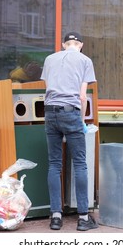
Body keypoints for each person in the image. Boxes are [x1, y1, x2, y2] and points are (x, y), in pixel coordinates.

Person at [40, 31, 98, 231]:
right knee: (80, 164)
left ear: (65, 44)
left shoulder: (49, 59)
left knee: (54, 164)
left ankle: (55, 217)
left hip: (50, 113)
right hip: (71, 112)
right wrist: (81, 122)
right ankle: (83, 218)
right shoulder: (85, 60)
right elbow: (82, 97)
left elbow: (47, 89)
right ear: (80, 45)